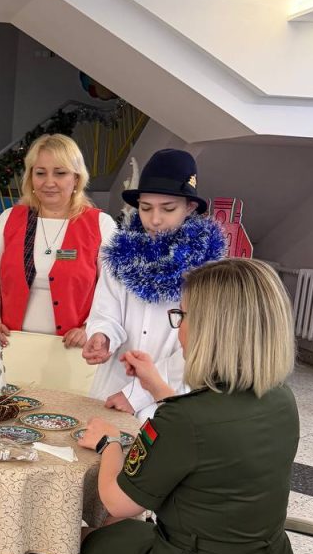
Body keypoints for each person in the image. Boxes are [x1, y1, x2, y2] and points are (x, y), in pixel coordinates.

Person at [30, 258, 299, 554]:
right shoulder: (280, 400)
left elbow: (117, 499)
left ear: (214, 329)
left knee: (83, 548)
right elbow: (209, 435)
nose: (180, 328)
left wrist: (110, 444)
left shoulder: (186, 421)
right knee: (117, 540)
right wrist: (156, 386)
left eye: (184, 315)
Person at [83, 149, 225, 420]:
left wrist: (137, 394)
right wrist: (102, 336)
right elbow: (105, 310)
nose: (155, 219)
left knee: (157, 446)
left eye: (168, 208)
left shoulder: (208, 270)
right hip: (113, 384)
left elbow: (199, 346)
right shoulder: (120, 255)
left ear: (190, 207)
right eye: (146, 208)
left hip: (170, 394)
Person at [0, 133, 116, 350]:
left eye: (60, 173)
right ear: (31, 178)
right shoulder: (9, 220)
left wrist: (90, 327)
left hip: (75, 350)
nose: (49, 182)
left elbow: (113, 289)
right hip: (13, 346)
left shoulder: (100, 225)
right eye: (40, 173)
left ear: (76, 178)